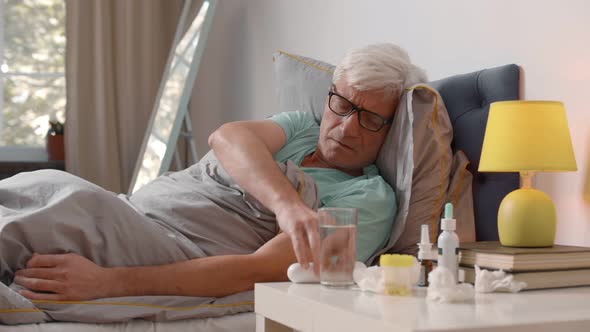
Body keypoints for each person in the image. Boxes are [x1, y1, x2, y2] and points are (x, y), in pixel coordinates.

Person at [8, 43, 426, 301]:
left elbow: (260, 270)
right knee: (38, 189)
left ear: (390, 132)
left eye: (371, 118)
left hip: (164, 244)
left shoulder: (368, 199)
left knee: (62, 201)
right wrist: (286, 205)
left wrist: (108, 284)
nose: (348, 126)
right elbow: (227, 138)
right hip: (132, 210)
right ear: (330, 97)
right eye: (344, 105)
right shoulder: (301, 127)